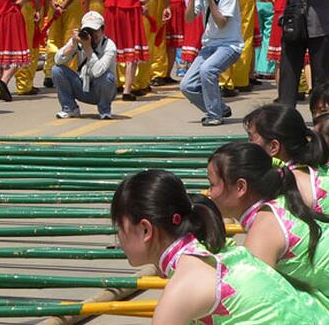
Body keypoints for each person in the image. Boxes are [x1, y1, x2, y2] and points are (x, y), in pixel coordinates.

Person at [112, 169, 328, 324]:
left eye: (119, 228)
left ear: (146, 230)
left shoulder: (184, 285)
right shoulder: (220, 251)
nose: (118, 238)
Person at [207, 142, 329, 310]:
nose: (208, 193)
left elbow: (258, 305)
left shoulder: (264, 230)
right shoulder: (283, 201)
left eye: (212, 184)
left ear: (241, 187)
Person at [180, 0, 243, 126]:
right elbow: (188, 18)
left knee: (208, 69)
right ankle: (220, 108)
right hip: (209, 46)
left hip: (229, 45)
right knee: (187, 86)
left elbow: (222, 22)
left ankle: (214, 115)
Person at [244, 104, 329, 213]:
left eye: (251, 139)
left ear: (273, 147)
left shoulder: (282, 187)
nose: (247, 146)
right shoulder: (319, 169)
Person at [52, 11, 117, 120]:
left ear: (102, 29)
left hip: (101, 90)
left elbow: (98, 72)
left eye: (95, 31)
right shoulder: (80, 41)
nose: (92, 35)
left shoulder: (109, 46)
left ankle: (105, 110)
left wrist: (88, 49)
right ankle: (70, 108)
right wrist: (72, 45)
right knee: (57, 70)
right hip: (82, 87)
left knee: (107, 77)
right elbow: (57, 61)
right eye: (88, 31)